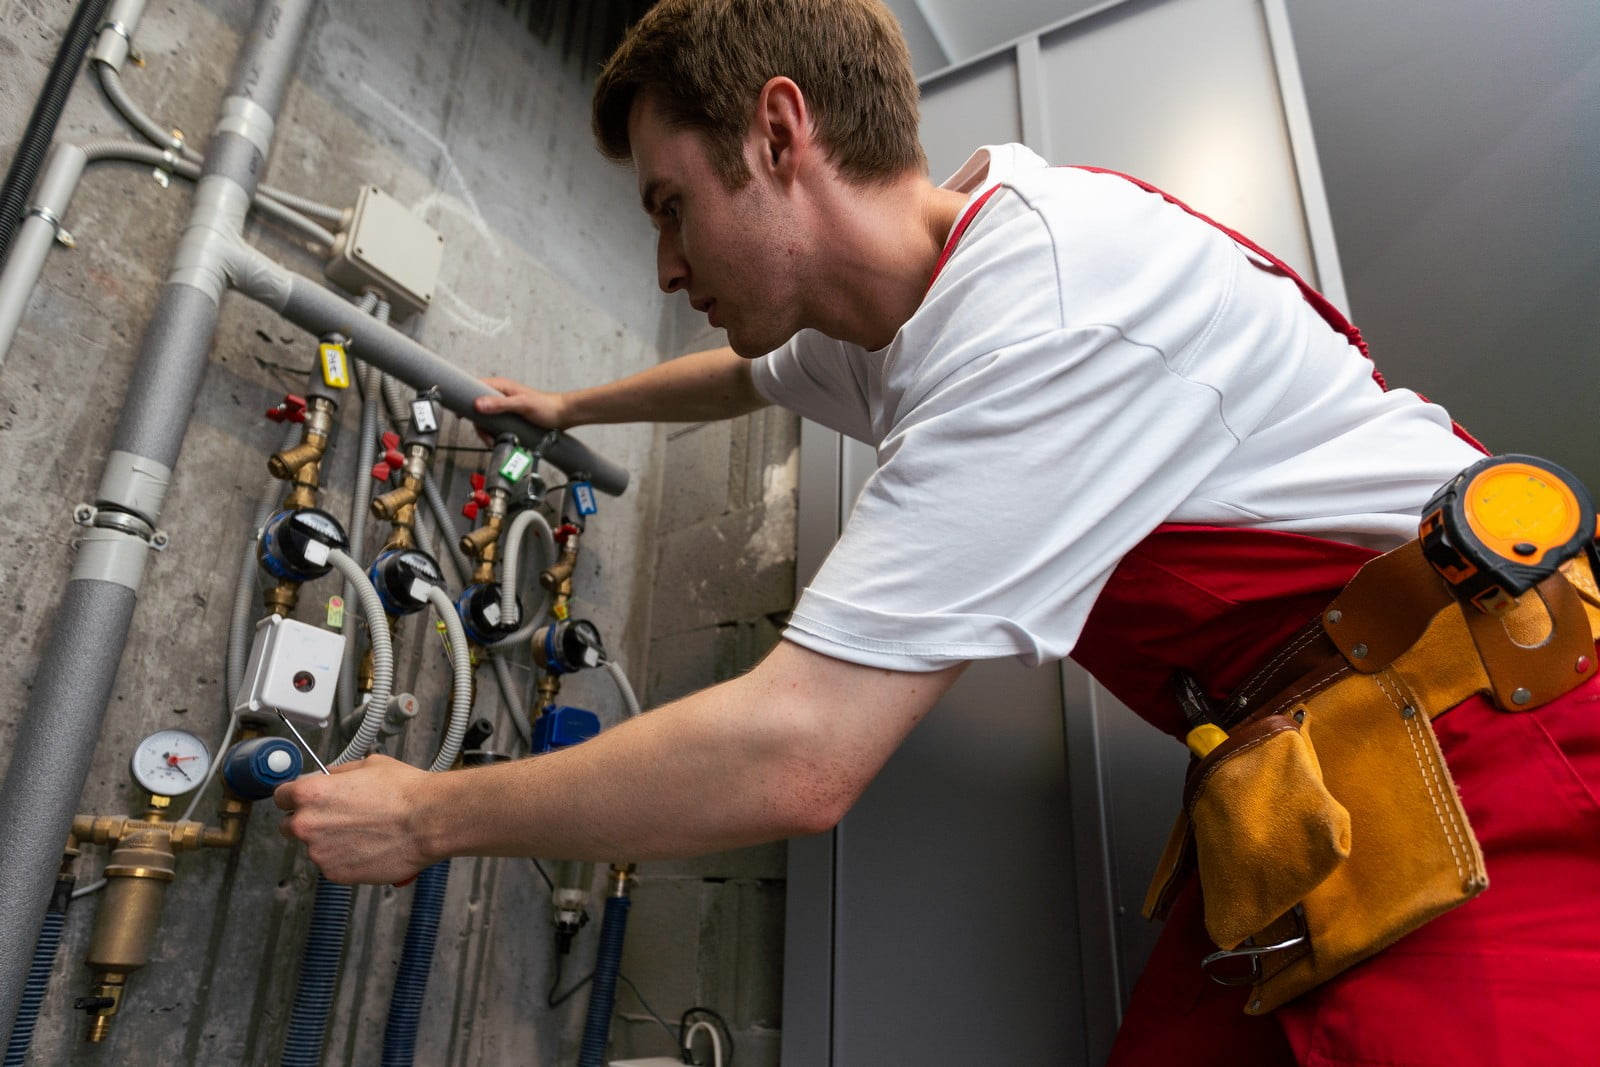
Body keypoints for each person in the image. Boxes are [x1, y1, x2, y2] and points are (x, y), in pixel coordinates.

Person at [275, 1, 1600, 1063]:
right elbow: (745, 378)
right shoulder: (905, 315)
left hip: (1497, 751)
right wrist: (574, 404)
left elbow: (800, 756)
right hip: (1320, 775)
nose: (668, 268)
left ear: (777, 131)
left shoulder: (1043, 313)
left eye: (673, 204)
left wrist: (428, 818)